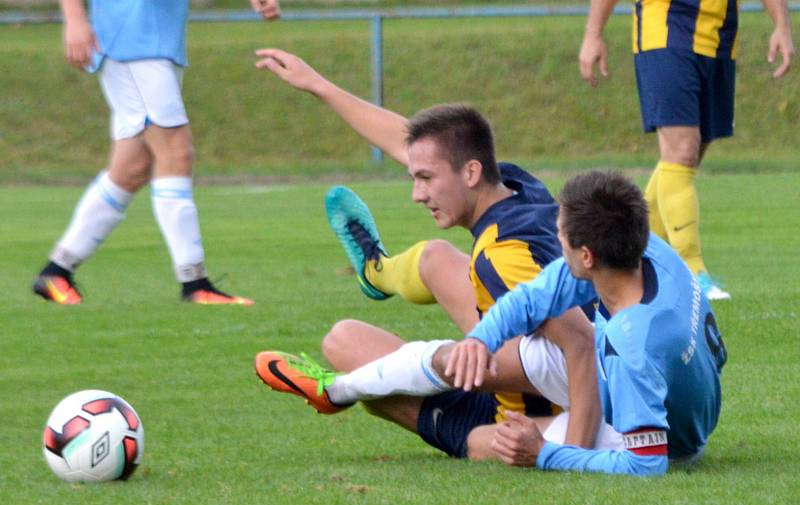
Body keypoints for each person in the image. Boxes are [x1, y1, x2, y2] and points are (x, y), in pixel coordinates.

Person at [252, 49, 615, 461]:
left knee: (361, 368)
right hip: (549, 365)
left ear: (471, 172)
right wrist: (320, 86)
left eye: (425, 179)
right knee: (429, 263)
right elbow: (419, 145)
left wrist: (575, 456)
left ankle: (445, 422)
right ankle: (378, 272)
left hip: (543, 415)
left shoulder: (504, 255)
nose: (416, 194)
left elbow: (582, 346)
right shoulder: (517, 185)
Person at [446, 170, 727, 476]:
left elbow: (646, 464)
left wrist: (544, 453)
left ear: (587, 256)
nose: (557, 240)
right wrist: (480, 339)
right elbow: (533, 298)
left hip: (675, 445)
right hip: (692, 400)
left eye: (562, 235)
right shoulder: (645, 250)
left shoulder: (631, 345)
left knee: (479, 442)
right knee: (452, 359)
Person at [32, 0, 281, 305]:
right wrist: (75, 19)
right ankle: (195, 282)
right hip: (131, 41)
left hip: (154, 43)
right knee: (176, 152)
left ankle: (55, 272)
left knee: (131, 169)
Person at [578, 0, 795, 301]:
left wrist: (782, 26)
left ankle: (631, 262)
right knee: (682, 152)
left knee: (681, 162)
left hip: (719, 38)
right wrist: (593, 34)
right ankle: (691, 272)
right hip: (665, 32)